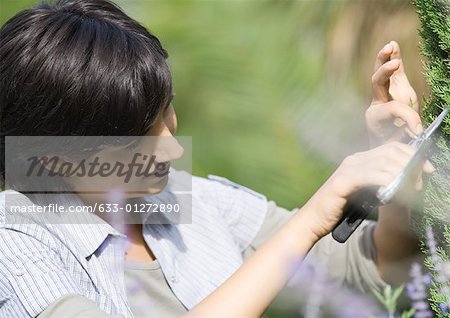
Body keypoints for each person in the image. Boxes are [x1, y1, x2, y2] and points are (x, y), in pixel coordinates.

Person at [0, 0, 432, 317]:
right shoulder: (15, 241)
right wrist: (310, 219)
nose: (171, 148)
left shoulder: (191, 200)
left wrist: (394, 180)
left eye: (166, 111)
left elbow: (371, 270)